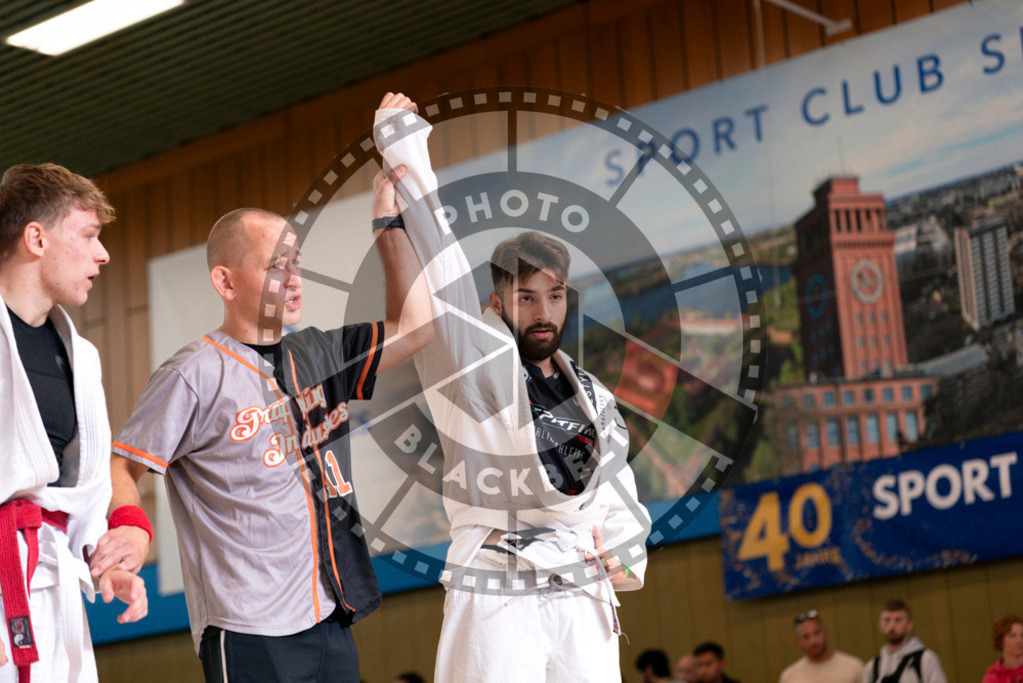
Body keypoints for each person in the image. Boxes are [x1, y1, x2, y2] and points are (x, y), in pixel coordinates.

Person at [89, 93, 433, 681]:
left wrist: (388, 229)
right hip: (248, 630)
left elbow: (418, 326)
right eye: (275, 265)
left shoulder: (320, 352)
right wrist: (129, 525)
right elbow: (122, 465)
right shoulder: (192, 372)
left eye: (296, 262)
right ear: (225, 281)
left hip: (331, 613)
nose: (292, 278)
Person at [377, 92, 651, 681]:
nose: (543, 311)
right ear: (496, 304)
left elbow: (616, 481)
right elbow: (443, 267)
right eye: (526, 298)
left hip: (580, 582)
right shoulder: (473, 364)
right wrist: (403, 145)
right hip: (498, 578)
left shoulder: (592, 393)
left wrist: (625, 549)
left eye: (554, 295)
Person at [0, 164, 147, 682]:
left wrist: (104, 561)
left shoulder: (81, 357)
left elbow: (78, 489)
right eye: (87, 235)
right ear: (35, 238)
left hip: (51, 577)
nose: (102, 253)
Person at [863, 600, 947, 683]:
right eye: (887, 620)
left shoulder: (925, 659)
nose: (891, 626)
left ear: (909, 625)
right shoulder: (873, 667)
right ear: (880, 625)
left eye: (898, 620)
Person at [779, 609, 863, 682]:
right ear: (798, 641)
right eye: (806, 637)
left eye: (817, 633)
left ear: (825, 632)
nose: (813, 641)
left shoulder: (853, 666)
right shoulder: (789, 676)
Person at [984, 614, 1023, 683]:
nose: (1020, 640)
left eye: (1022, 635)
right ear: (1001, 641)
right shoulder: (993, 677)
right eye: (1013, 636)